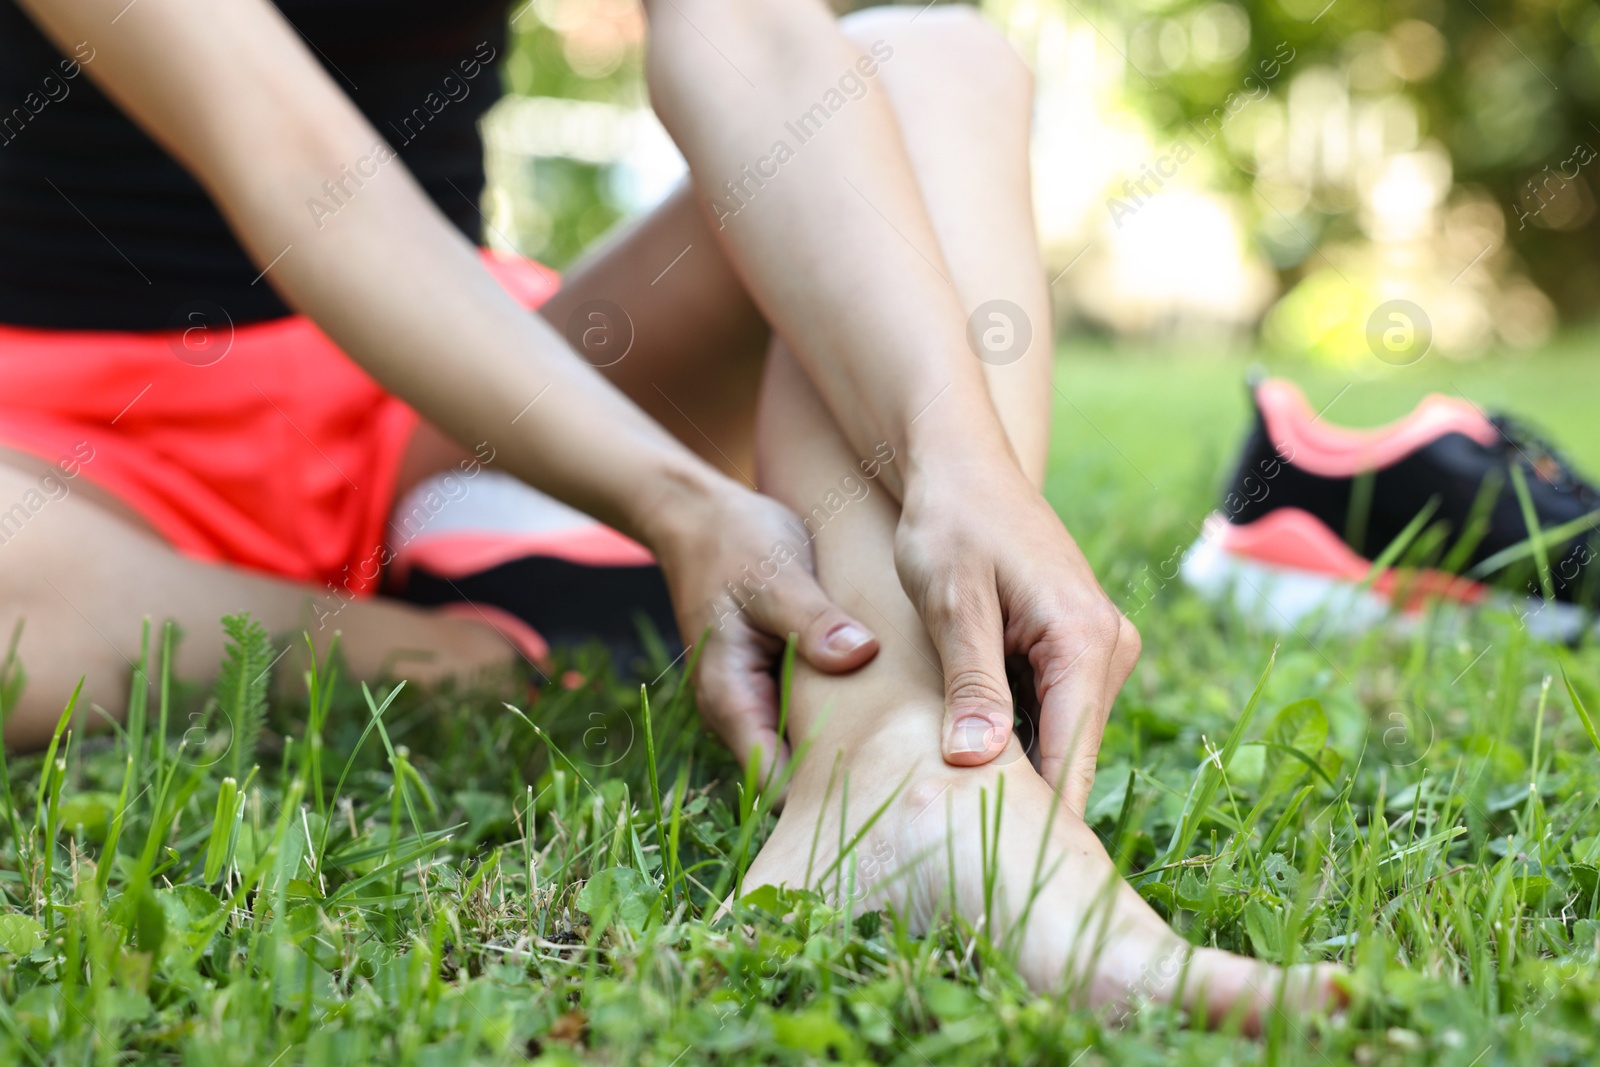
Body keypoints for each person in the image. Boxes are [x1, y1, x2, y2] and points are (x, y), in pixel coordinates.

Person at [0, 0, 1341, 1019]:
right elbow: (295, 163)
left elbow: (756, 44)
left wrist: (955, 453)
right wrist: (681, 502)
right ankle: (447, 657)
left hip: (447, 390)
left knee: (928, 53)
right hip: (62, 457)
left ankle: (916, 766)